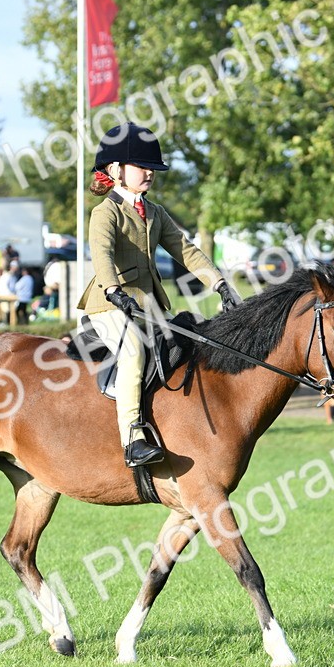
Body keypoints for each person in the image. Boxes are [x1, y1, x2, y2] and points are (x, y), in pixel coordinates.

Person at [79, 121, 239, 467]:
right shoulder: (105, 212)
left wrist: (220, 283)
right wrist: (113, 290)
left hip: (147, 307)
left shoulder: (155, 212)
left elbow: (187, 251)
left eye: (152, 167)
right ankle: (132, 438)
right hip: (109, 305)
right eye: (142, 166)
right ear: (115, 170)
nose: (150, 173)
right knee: (134, 352)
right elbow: (102, 255)